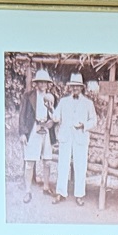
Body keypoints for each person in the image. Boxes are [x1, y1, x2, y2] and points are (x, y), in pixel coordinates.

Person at [52, 73, 97, 206]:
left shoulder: (88, 103)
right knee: (63, 165)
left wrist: (84, 125)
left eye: (78, 86)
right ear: (70, 87)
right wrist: (54, 115)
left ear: (82, 88)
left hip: (80, 137)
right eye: (73, 86)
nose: (75, 88)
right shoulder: (63, 101)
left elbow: (94, 121)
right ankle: (60, 193)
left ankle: (79, 194)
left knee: (80, 166)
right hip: (66, 137)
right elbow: (56, 116)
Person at [18, 66, 55, 201]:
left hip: (46, 130)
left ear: (48, 84)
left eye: (45, 82)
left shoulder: (52, 97)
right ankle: (27, 191)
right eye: (40, 82)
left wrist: (52, 122)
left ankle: (46, 186)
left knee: (48, 161)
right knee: (29, 162)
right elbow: (22, 115)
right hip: (33, 129)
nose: (43, 84)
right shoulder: (28, 96)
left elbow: (55, 115)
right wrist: (23, 133)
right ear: (36, 83)